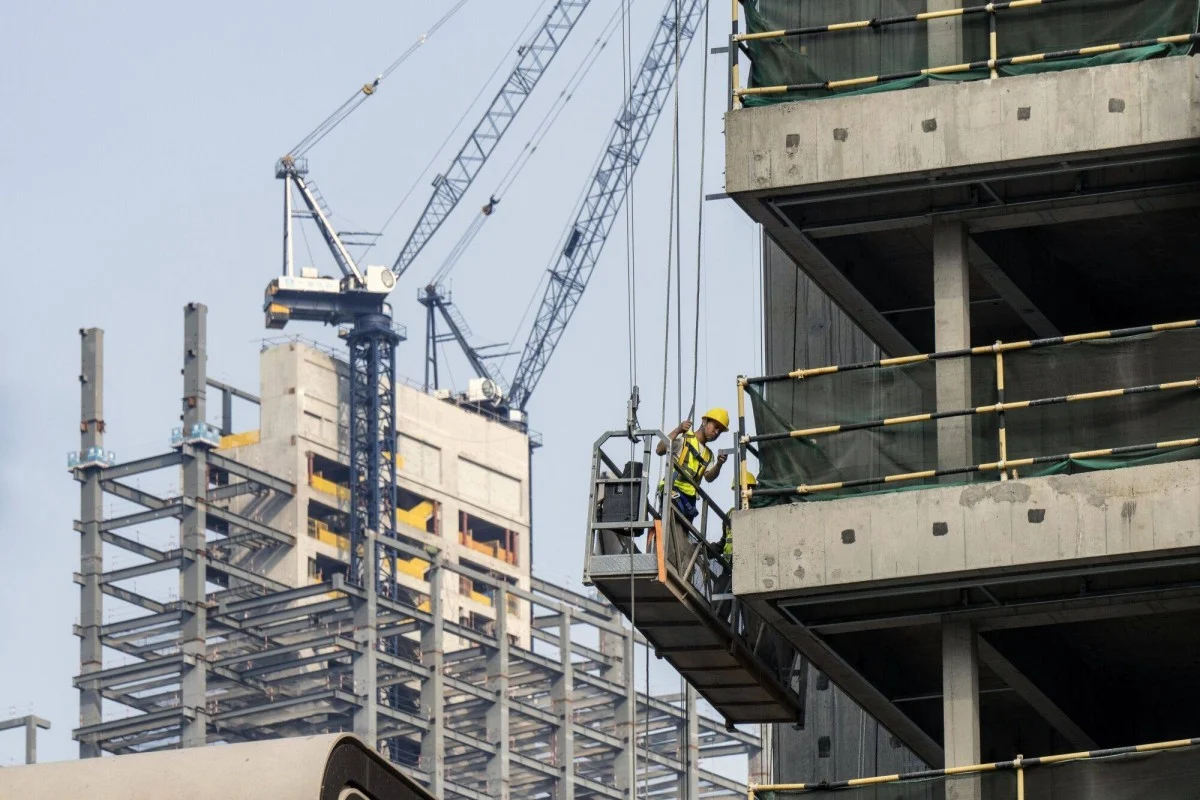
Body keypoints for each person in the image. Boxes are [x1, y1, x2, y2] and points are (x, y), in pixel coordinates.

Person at [656, 408, 730, 522]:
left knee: (684, 531)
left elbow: (709, 477)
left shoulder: (708, 455)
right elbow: (659, 449)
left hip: (690, 500)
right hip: (673, 491)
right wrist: (678, 430)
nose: (716, 433)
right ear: (704, 421)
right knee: (674, 526)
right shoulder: (684, 438)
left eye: (719, 431)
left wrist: (719, 464)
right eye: (715, 427)